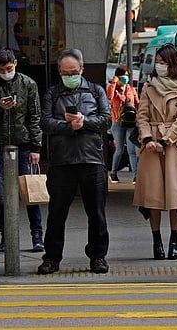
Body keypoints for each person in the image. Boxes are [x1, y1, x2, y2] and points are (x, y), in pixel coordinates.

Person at [37, 48, 112, 275]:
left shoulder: (96, 91)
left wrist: (84, 121)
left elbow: (107, 119)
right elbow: (46, 123)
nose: (69, 75)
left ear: (81, 69)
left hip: (92, 159)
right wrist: (68, 126)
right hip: (62, 161)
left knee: (96, 213)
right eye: (64, 72)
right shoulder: (52, 94)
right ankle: (51, 257)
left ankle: (98, 256)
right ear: (59, 71)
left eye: (73, 71)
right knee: (57, 213)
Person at [133, 44, 177, 261]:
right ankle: (156, 240)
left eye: (164, 62)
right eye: (158, 62)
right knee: (152, 196)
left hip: (174, 145)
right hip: (151, 144)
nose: (160, 66)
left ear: (173, 63)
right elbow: (141, 115)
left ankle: (174, 241)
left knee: (176, 195)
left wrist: (165, 140)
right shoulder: (148, 86)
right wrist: (148, 139)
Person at [0, 46, 44, 252]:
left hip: (24, 145)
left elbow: (35, 116)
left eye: (8, 67)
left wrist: (36, 147)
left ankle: (37, 235)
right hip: (0, 146)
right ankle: (6, 235)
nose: (6, 72)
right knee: (2, 195)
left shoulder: (28, 84)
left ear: (15, 63)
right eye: (1, 69)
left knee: (30, 191)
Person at [106, 65, 140, 184]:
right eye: (123, 75)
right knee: (119, 149)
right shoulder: (113, 88)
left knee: (132, 150)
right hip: (117, 122)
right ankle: (114, 173)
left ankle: (136, 176)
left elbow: (137, 103)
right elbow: (109, 97)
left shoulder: (131, 89)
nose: (125, 77)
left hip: (130, 122)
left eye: (127, 75)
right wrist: (114, 83)